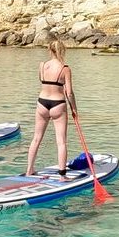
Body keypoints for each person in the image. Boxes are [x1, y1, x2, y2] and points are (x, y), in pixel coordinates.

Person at [25, 39, 77, 177]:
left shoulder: (42, 66)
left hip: (41, 103)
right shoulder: (65, 68)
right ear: (62, 50)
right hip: (58, 104)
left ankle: (29, 170)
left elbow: (41, 80)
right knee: (61, 142)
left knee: (36, 138)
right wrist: (74, 109)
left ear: (49, 50)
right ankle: (62, 175)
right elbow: (69, 92)